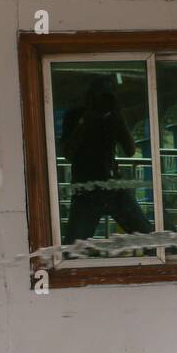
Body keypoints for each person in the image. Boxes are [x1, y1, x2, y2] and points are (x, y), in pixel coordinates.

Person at [61, 76, 153, 244]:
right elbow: (68, 153)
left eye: (108, 97)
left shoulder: (112, 116)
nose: (103, 102)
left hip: (110, 186)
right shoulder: (74, 116)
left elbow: (130, 150)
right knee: (73, 247)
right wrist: (85, 122)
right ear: (89, 97)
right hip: (87, 188)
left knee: (147, 236)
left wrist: (118, 117)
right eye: (101, 96)